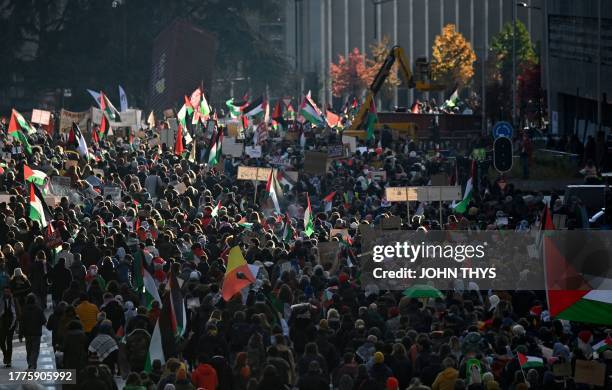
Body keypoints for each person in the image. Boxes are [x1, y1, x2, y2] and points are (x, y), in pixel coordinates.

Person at [20, 293, 46, 369]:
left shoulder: (24, 310)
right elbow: (43, 321)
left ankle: (30, 363)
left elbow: (22, 323)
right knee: (35, 350)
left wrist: (20, 334)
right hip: (36, 333)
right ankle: (32, 363)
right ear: (35, 301)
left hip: (27, 334)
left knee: (28, 350)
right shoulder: (39, 310)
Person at [0, 286, 17, 367]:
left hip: (11, 324)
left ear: (10, 292)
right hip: (2, 324)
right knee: (1, 341)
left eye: (8, 292)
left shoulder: (13, 300)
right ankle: (5, 354)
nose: (6, 293)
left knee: (9, 342)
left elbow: (15, 314)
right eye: (5, 292)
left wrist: (13, 325)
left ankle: (9, 360)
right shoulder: (1, 300)